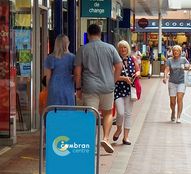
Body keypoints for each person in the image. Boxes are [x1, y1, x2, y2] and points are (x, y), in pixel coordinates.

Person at [74, 24, 122, 153]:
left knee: (90, 115)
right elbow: (119, 66)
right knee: (107, 113)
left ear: (88, 35)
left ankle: (90, 142)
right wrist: (113, 80)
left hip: (90, 87)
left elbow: (77, 72)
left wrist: (78, 88)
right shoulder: (110, 48)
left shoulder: (83, 50)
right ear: (101, 34)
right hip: (107, 86)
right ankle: (105, 138)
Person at [112, 40, 141, 145]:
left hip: (130, 89)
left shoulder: (132, 59)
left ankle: (126, 137)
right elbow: (113, 75)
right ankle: (119, 129)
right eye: (120, 47)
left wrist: (136, 74)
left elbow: (138, 70)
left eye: (124, 47)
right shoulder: (115, 60)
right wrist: (124, 78)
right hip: (118, 89)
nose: (122, 49)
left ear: (127, 49)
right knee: (120, 112)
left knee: (128, 114)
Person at [44, 34, 75, 106]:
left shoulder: (51, 57)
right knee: (68, 108)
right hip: (68, 85)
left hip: (54, 86)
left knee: (54, 109)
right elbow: (75, 73)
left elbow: (48, 76)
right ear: (67, 43)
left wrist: (47, 88)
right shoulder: (72, 57)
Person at [162, 45, 191, 123]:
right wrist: (165, 77)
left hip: (181, 82)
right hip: (172, 82)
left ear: (180, 52)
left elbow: (188, 66)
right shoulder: (169, 60)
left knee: (179, 99)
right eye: (174, 50)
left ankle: (178, 116)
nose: (175, 52)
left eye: (177, 51)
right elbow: (167, 69)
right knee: (172, 102)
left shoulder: (183, 60)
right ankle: (173, 112)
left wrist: (189, 68)